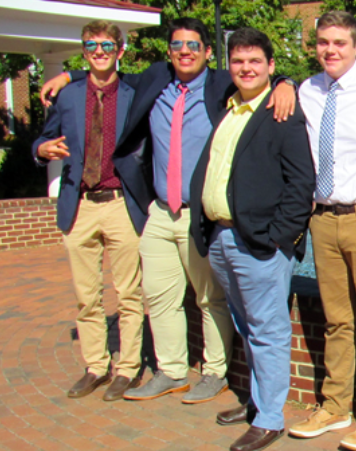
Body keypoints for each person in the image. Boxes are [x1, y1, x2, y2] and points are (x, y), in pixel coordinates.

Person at [40, 18, 297, 404]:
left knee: (209, 297)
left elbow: (256, 70)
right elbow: (107, 67)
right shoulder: (155, 79)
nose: (185, 51)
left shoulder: (220, 84)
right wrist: (70, 75)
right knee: (158, 295)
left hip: (200, 212)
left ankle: (214, 372)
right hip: (160, 210)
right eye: (177, 45)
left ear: (209, 52)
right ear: (168, 51)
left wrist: (285, 84)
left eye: (194, 45)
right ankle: (172, 370)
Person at [188, 27, 315, 451]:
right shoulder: (228, 108)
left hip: (259, 244)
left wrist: (279, 238)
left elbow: (301, 185)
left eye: (255, 62)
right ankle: (259, 401)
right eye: (238, 61)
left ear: (271, 67)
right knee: (248, 327)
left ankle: (270, 418)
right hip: (222, 238)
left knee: (268, 330)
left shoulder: (283, 112)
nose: (245, 68)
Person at [288, 11, 356, 451]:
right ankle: (336, 405)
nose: (330, 50)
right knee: (337, 321)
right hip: (324, 218)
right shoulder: (306, 90)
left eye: (339, 42)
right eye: (322, 42)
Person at [32, 20, 148, 402]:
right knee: (87, 296)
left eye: (107, 45)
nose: (99, 52)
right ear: (84, 51)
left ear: (120, 50)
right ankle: (96, 366)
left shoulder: (135, 92)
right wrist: (40, 150)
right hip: (79, 205)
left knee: (129, 294)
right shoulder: (68, 96)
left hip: (120, 204)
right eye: (91, 45)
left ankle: (127, 369)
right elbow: (45, 137)